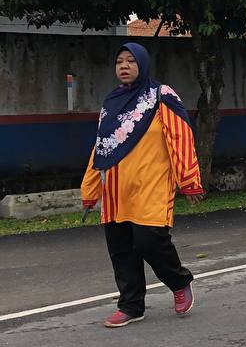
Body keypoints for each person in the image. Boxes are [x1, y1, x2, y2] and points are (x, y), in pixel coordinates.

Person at [80, 43, 203, 328]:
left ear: (143, 64)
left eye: (131, 61)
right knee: (121, 248)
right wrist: (90, 189)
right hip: (116, 189)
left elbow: (180, 138)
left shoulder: (161, 96)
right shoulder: (110, 103)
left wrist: (189, 180)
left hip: (152, 185)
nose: (124, 66)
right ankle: (131, 305)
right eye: (119, 61)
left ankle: (179, 281)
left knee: (150, 241)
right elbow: (101, 148)